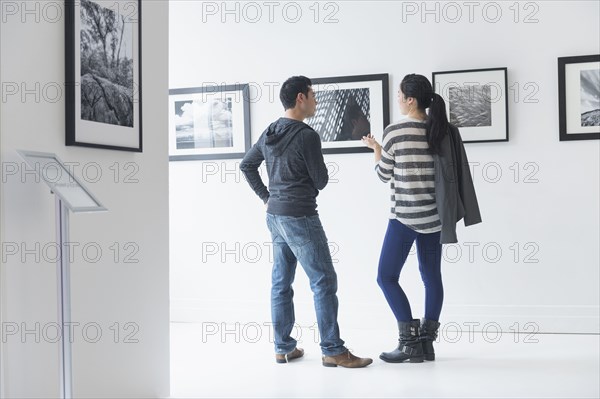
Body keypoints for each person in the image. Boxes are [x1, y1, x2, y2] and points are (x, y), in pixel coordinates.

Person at [240, 75, 372, 368]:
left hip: (274, 216)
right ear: (300, 97)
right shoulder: (307, 135)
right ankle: (333, 350)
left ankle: (283, 347)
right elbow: (321, 180)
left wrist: (267, 196)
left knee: (281, 282)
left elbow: (247, 165)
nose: (314, 100)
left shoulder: (270, 130)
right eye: (312, 95)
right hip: (300, 216)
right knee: (323, 281)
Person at [361, 73, 482, 363]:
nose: (399, 99)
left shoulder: (395, 132)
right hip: (435, 219)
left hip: (404, 218)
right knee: (431, 278)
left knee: (386, 276)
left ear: (411, 99)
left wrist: (376, 149)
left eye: (400, 95)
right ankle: (426, 344)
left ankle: (409, 342)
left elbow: (383, 175)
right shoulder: (442, 130)